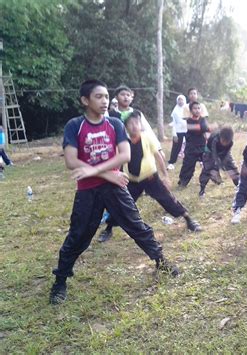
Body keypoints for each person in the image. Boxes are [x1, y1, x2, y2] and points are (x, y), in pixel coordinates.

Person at [49, 80, 178, 305]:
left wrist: (96, 170)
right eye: (98, 97)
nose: (105, 101)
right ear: (85, 100)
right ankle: (60, 280)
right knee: (79, 235)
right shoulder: (75, 126)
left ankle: (160, 260)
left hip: (115, 189)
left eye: (107, 97)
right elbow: (71, 161)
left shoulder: (116, 124)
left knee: (137, 225)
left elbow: (124, 155)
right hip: (89, 191)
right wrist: (108, 174)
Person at [97, 110, 202, 243]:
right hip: (132, 181)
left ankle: (189, 220)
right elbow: (118, 160)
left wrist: (164, 175)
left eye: (137, 122)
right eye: (131, 123)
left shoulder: (147, 137)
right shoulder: (122, 141)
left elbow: (158, 156)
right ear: (126, 126)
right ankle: (108, 229)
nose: (134, 126)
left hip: (151, 178)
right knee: (121, 206)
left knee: (168, 199)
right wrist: (116, 175)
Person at [198, 126, 239, 197]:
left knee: (231, 167)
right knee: (208, 168)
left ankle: (238, 185)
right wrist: (218, 165)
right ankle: (202, 190)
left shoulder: (230, 142)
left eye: (227, 142)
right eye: (223, 141)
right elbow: (214, 154)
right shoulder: (214, 139)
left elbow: (226, 154)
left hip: (223, 152)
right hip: (210, 151)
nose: (224, 143)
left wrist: (224, 165)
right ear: (220, 137)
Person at [178, 102, 210, 187]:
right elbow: (199, 128)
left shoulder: (203, 119)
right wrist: (206, 128)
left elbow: (206, 130)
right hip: (191, 147)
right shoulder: (189, 120)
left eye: (199, 108)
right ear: (191, 110)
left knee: (209, 163)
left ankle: (216, 179)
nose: (197, 110)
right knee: (188, 165)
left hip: (202, 146)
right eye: (195, 108)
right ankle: (183, 181)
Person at [167, 94, 187, 170]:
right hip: (178, 131)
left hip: (187, 130)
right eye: (179, 100)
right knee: (176, 147)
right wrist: (174, 134)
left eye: (182, 100)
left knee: (190, 146)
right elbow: (174, 123)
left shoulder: (187, 109)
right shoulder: (175, 111)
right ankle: (171, 162)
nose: (180, 101)